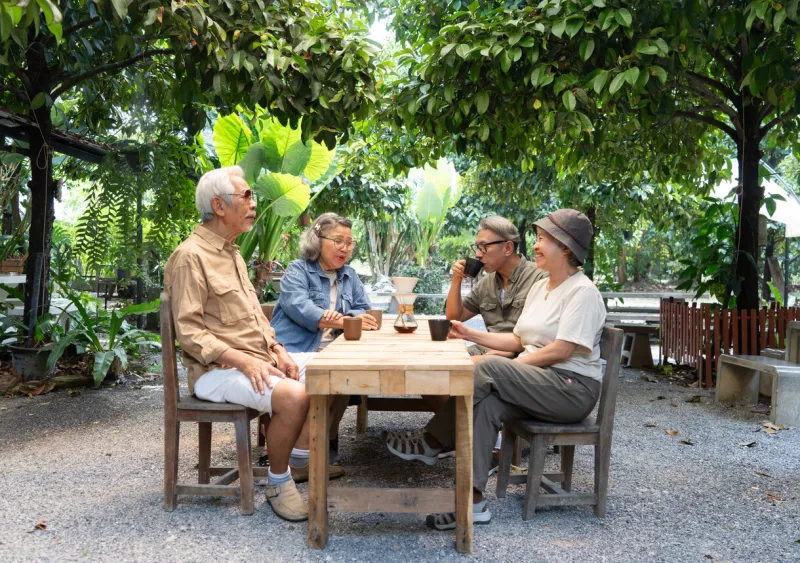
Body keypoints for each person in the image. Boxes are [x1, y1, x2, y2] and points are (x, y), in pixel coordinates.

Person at [383, 209, 606, 530]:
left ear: (567, 249)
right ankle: (472, 502)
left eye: (544, 239)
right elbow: (518, 339)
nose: (537, 245)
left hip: (571, 389)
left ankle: (432, 441)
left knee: (488, 367)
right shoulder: (543, 289)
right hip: (538, 382)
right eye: (539, 238)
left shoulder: (582, 292)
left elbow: (562, 350)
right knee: (487, 405)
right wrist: (469, 333)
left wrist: (500, 366)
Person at [164, 166, 320, 522]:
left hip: (254, 358)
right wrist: (245, 362)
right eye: (246, 196)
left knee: (331, 373)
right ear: (219, 206)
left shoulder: (232, 253)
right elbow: (189, 332)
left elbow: (255, 319)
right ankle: (278, 483)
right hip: (215, 370)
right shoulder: (190, 257)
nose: (253, 203)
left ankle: (296, 462)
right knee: (295, 397)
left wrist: (277, 351)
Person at [270, 212, 377, 464]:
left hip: (334, 349)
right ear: (318, 240)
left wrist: (352, 315)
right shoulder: (298, 270)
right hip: (293, 350)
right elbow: (301, 309)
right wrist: (347, 320)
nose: (345, 248)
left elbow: (364, 309)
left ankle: (322, 441)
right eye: (338, 241)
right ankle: (302, 455)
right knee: (335, 373)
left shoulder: (349, 275)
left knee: (345, 376)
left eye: (349, 243)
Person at [446, 215, 547, 360]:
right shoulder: (486, 284)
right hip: (487, 349)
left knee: (460, 368)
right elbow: (454, 318)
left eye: (484, 247)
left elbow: (543, 335)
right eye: (477, 247)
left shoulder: (539, 279)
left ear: (507, 248)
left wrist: (508, 352)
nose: (477, 254)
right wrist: (456, 280)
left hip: (523, 354)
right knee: (443, 359)